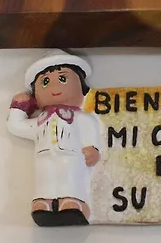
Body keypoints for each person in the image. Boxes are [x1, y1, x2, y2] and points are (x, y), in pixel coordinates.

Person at [7, 49, 101, 226]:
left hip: (71, 155)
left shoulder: (81, 117)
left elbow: (90, 129)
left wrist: (93, 148)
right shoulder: (39, 121)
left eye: (63, 79)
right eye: (45, 82)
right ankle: (43, 203)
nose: (54, 88)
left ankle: (72, 202)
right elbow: (16, 126)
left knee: (68, 175)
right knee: (45, 176)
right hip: (44, 155)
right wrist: (19, 107)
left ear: (82, 88)